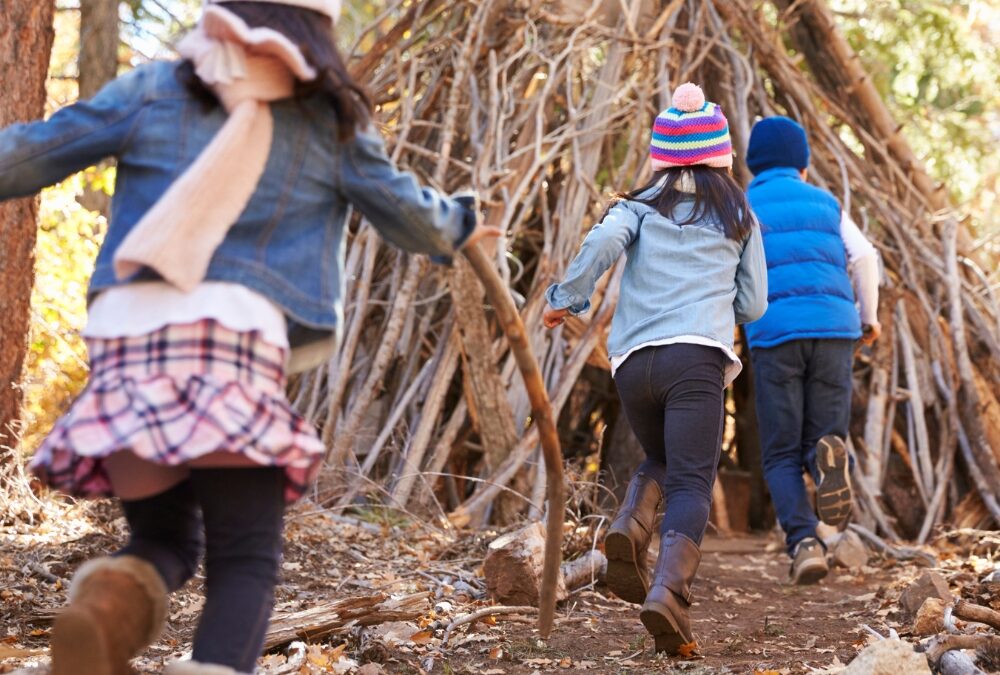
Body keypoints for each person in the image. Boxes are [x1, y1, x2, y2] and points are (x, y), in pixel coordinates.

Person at [0, 1, 497, 673]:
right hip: (232, 347)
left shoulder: (154, 87)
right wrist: (461, 226)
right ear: (315, 29)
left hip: (130, 346)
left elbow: (34, 152)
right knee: (244, 557)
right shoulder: (327, 120)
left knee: (164, 540)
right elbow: (412, 216)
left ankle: (103, 610)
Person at [543, 83, 767, 654]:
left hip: (632, 363)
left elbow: (601, 244)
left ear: (662, 157)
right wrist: (723, 308)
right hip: (696, 358)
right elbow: (755, 304)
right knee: (693, 477)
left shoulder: (637, 207)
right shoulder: (739, 213)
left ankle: (630, 527)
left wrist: (565, 299)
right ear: (720, 155)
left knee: (664, 459)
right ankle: (669, 592)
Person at [743, 115, 881, 585]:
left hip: (775, 333)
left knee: (780, 452)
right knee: (822, 438)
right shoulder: (826, 203)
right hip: (835, 330)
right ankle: (827, 464)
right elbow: (863, 256)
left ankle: (803, 543)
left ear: (752, 164)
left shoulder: (744, 205)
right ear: (802, 164)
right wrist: (869, 317)